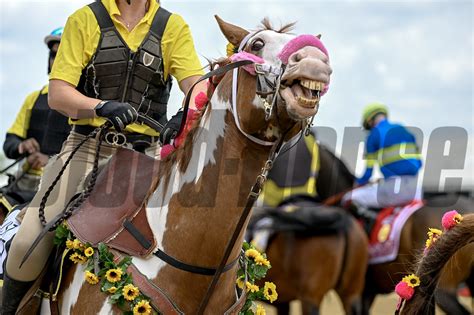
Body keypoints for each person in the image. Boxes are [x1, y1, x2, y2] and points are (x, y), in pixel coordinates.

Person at [1, 0, 206, 312]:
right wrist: (100, 107)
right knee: (29, 239)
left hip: (147, 156)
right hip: (87, 149)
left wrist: (184, 114)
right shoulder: (84, 20)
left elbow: (197, 86)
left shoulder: (173, 27)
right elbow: (58, 93)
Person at [1, 27, 71, 213]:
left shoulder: (85, 104)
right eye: (53, 55)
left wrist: (48, 161)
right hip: (22, 184)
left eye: (61, 55)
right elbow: (10, 142)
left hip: (59, 188)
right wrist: (21, 146)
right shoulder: (33, 98)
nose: (56, 60)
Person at [342, 102, 423, 214]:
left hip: (393, 191)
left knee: (348, 198)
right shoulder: (405, 130)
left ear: (370, 121)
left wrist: (357, 184)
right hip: (416, 190)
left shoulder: (373, 135)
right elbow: (419, 163)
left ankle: (369, 224)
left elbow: (368, 173)